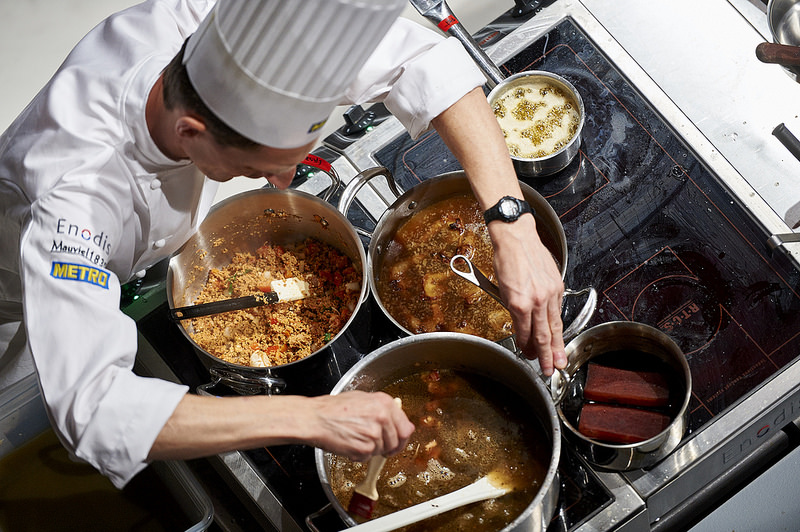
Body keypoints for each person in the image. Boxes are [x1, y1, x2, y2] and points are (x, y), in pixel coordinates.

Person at [0, 0, 565, 488]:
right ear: (191, 133)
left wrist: (512, 223)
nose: (283, 183)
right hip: (15, 284)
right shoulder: (73, 194)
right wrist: (315, 418)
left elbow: (422, 58)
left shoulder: (225, 27)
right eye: (260, 167)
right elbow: (92, 411)